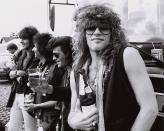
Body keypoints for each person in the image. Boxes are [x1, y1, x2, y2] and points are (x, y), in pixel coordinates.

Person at [67, 4, 158, 131]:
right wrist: (74, 122)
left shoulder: (127, 55)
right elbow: (72, 113)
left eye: (104, 27)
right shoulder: (77, 70)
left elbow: (150, 108)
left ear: (112, 33)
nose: (97, 32)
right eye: (91, 27)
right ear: (83, 33)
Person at [7, 26, 38, 131]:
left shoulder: (37, 54)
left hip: (29, 94)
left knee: (30, 128)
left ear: (32, 39)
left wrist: (16, 75)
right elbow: (10, 74)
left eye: (24, 38)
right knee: (13, 127)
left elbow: (32, 75)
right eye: (21, 38)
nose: (21, 41)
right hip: (16, 92)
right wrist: (16, 73)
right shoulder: (20, 53)